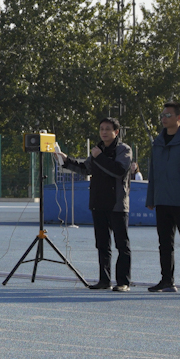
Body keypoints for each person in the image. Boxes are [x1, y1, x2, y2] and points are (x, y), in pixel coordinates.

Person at [54, 118, 134, 290]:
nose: (103, 132)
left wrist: (100, 157)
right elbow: (85, 169)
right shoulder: (98, 150)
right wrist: (66, 160)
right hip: (98, 203)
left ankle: (123, 282)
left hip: (117, 205)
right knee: (102, 245)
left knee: (122, 244)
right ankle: (104, 280)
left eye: (107, 129)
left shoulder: (123, 150)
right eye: (101, 129)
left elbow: (119, 170)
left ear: (116, 132)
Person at [146, 101, 180, 295]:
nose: (164, 118)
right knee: (164, 243)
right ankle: (167, 280)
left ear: (179, 117)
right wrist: (151, 197)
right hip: (162, 200)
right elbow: (152, 171)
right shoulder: (158, 141)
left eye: (168, 115)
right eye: (162, 115)